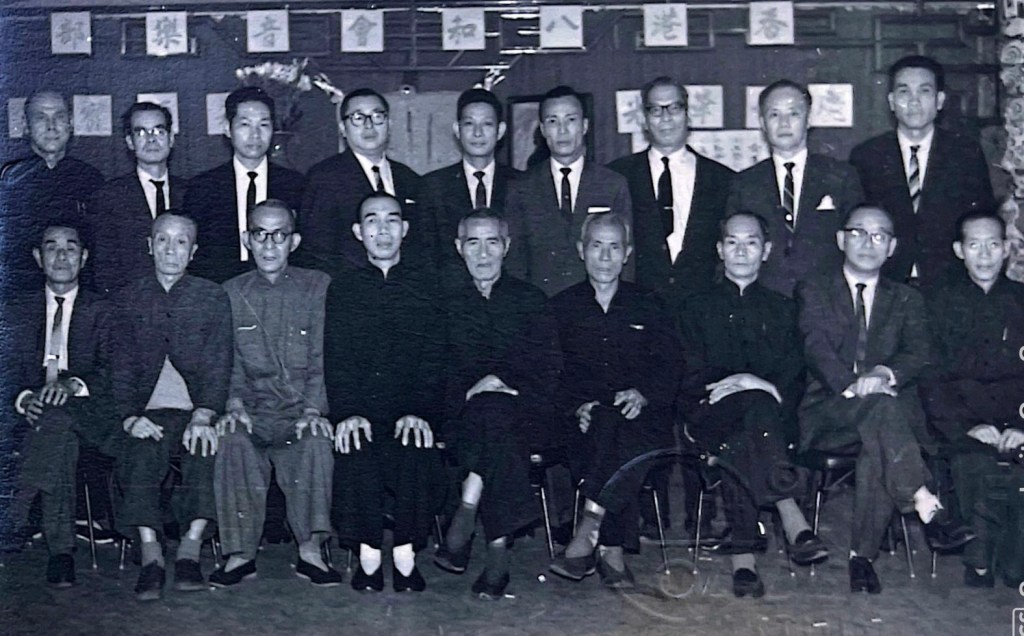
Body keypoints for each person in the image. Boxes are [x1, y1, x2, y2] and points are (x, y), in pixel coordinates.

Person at [795, 204, 972, 594]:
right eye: (858, 232)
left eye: (879, 236)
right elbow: (816, 348)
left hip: (883, 420)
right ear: (841, 239)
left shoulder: (907, 298)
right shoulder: (815, 289)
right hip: (829, 412)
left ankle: (861, 558)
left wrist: (883, 374)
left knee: (878, 439)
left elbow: (918, 352)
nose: (868, 243)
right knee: (883, 412)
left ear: (892, 248)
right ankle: (924, 500)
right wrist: (854, 384)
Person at [678, 212, 826, 598]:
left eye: (751, 242)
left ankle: (743, 562)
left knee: (743, 435)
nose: (741, 251)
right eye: (732, 242)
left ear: (766, 250)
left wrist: (753, 384)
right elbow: (690, 373)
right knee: (749, 410)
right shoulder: (695, 307)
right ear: (719, 249)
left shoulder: (783, 309)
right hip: (708, 412)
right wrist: (749, 383)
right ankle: (788, 506)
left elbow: (792, 375)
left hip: (762, 424)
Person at [546, 213, 680, 588]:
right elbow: (551, 372)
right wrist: (577, 405)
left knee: (619, 429)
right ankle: (611, 550)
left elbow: (671, 365)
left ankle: (590, 527)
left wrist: (644, 394)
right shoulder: (560, 308)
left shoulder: (649, 304)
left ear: (627, 253)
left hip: (643, 418)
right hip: (585, 422)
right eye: (596, 246)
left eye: (614, 247)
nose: (605, 257)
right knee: (607, 425)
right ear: (581, 250)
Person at [211, 200, 340, 587]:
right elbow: (229, 360)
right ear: (246, 239)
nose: (269, 245)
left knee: (316, 441)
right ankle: (240, 554)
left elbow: (321, 357)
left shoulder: (318, 287)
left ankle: (311, 551)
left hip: (300, 411)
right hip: (253, 412)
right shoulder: (230, 292)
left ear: (294, 241)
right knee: (231, 439)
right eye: (260, 234)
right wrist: (234, 405)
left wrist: (314, 410)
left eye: (279, 235)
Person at [433, 210, 558, 600]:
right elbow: (435, 371)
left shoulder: (531, 300)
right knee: (492, 417)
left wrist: (505, 385)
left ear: (506, 247)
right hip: (463, 417)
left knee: (497, 414)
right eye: (473, 243)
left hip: (523, 413)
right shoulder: (445, 305)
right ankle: (497, 552)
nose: (483, 253)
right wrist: (473, 390)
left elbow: (549, 368)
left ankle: (468, 503)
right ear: (459, 248)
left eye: (492, 242)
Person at [325, 193, 445, 593]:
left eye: (392, 220)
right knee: (357, 443)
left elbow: (435, 358)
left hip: (411, 406)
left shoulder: (427, 286)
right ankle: (369, 554)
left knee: (413, 443)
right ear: (359, 232)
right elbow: (337, 359)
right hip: (361, 406)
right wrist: (348, 412)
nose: (382, 230)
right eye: (372, 221)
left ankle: (406, 554)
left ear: (405, 229)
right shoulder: (343, 288)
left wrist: (420, 411)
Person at [110, 212, 232, 601]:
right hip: (148, 413)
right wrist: (130, 417)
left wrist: (205, 413)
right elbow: (120, 367)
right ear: (150, 246)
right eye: (162, 239)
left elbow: (218, 363)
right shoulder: (128, 298)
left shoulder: (211, 296)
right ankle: (151, 554)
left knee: (203, 449)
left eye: (181, 242)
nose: (170, 249)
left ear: (193, 251)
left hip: (196, 410)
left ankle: (190, 551)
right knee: (140, 452)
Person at [5, 217, 113, 588]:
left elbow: (113, 373)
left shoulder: (103, 310)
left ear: (84, 257)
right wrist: (24, 399)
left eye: (71, 248)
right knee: (57, 430)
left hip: (87, 410)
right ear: (38, 257)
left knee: (57, 418)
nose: (62, 256)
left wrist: (72, 385)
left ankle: (16, 510)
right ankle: (61, 552)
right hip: (32, 414)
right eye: (52, 247)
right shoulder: (15, 309)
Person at [921, 211, 1024, 588]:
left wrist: (1021, 425)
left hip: (1016, 418)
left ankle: (1014, 558)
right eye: (974, 245)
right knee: (975, 461)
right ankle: (978, 559)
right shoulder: (938, 303)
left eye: (993, 245)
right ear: (958, 250)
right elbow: (931, 377)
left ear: (1007, 249)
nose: (984, 255)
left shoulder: (1021, 300)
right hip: (961, 419)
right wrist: (967, 425)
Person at [849, 55, 996, 286]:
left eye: (924, 91)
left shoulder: (965, 153)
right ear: (891, 101)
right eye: (904, 92)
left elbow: (983, 217)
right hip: (886, 283)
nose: (914, 101)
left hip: (950, 283)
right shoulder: (867, 156)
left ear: (940, 100)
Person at [725, 80, 863, 298]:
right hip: (764, 300)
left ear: (809, 119)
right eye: (774, 115)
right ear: (762, 123)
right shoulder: (745, 182)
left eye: (793, 114)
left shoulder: (841, 176)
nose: (784, 123)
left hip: (827, 301)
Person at [609, 76, 734, 308]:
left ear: (688, 115)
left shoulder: (722, 179)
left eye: (674, 108)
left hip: (704, 310)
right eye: (656, 110)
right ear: (644, 120)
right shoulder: (618, 175)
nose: (665, 118)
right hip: (636, 308)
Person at [504, 85, 633, 297]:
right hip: (541, 303)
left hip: (596, 305)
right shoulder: (521, 187)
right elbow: (515, 260)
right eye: (553, 121)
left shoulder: (612, 184)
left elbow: (626, 256)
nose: (562, 130)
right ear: (543, 130)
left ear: (584, 126)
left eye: (570, 120)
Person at [183, 86, 305, 283]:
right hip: (219, 286)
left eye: (263, 125)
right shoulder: (203, 187)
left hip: (281, 287)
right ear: (227, 129)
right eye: (245, 124)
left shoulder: (295, 185)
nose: (255, 134)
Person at [300, 88, 424, 272]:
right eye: (358, 118)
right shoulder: (324, 177)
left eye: (377, 116)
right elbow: (316, 248)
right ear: (343, 128)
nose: (369, 125)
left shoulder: (408, 178)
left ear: (389, 124)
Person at [0, 91, 103, 293]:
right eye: (41, 117)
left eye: (59, 117)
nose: (51, 126)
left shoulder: (91, 178)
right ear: (26, 125)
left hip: (80, 295)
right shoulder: (9, 179)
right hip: (20, 294)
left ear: (71, 123)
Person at [420, 89, 520, 281]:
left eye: (487, 124)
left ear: (500, 131)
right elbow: (427, 255)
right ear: (457, 130)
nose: (477, 133)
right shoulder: (433, 187)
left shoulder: (522, 184)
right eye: (469, 124)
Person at [90, 102, 187, 295]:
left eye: (159, 131)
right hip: (129, 302)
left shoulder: (192, 192)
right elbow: (104, 266)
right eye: (141, 132)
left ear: (171, 139)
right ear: (130, 142)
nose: (151, 139)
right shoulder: (108, 196)